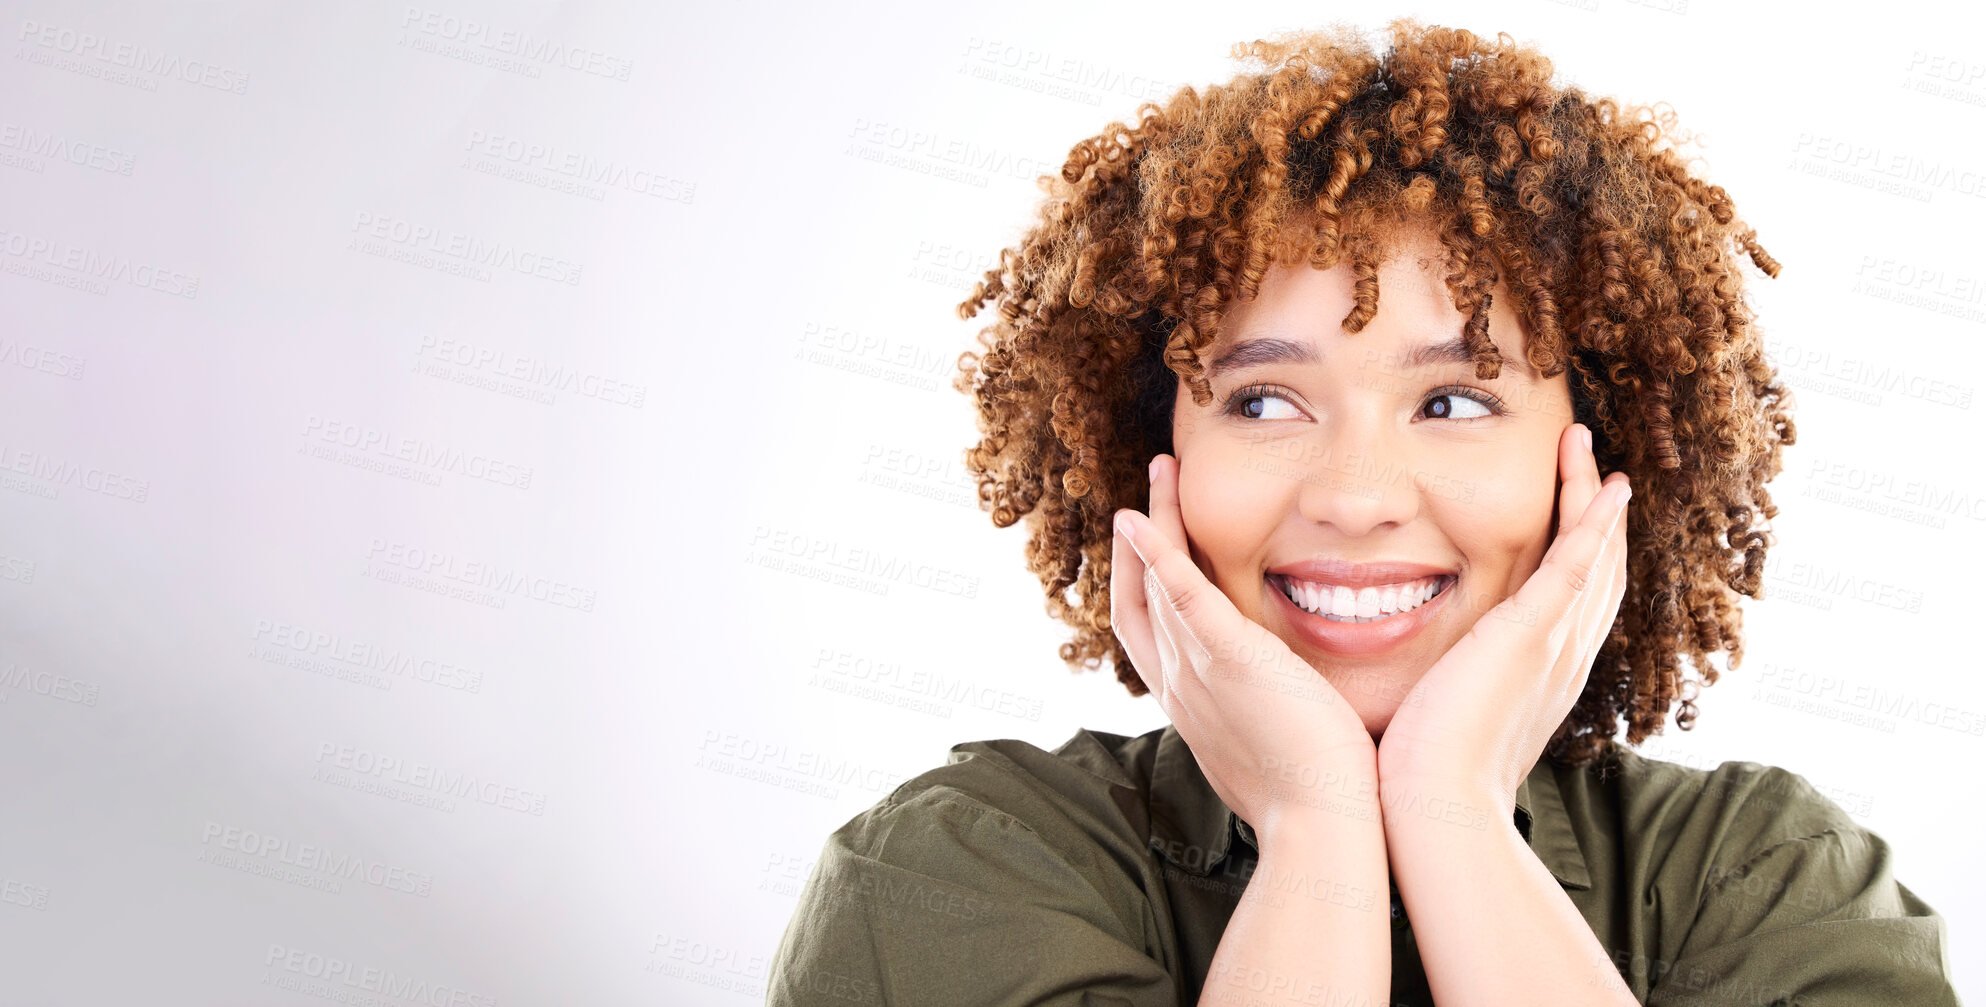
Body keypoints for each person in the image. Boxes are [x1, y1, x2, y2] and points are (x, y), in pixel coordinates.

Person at [765, 18, 1961, 1006]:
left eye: (1451, 399)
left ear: (1599, 461)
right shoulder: (957, 870)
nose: (1354, 498)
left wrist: (1452, 811)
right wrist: (1313, 821)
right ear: (1149, 453)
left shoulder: (1769, 881)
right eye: (1266, 398)